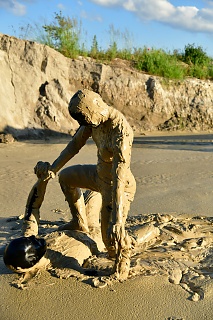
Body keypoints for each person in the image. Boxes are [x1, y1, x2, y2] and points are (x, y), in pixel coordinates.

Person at [22, 89, 136, 279]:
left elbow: (119, 177)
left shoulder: (121, 134)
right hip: (98, 175)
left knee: (110, 238)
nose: (84, 125)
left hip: (118, 186)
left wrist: (117, 219)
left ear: (96, 109)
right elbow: (74, 145)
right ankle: (78, 221)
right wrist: (54, 168)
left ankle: (122, 257)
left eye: (85, 120)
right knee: (66, 178)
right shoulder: (92, 120)